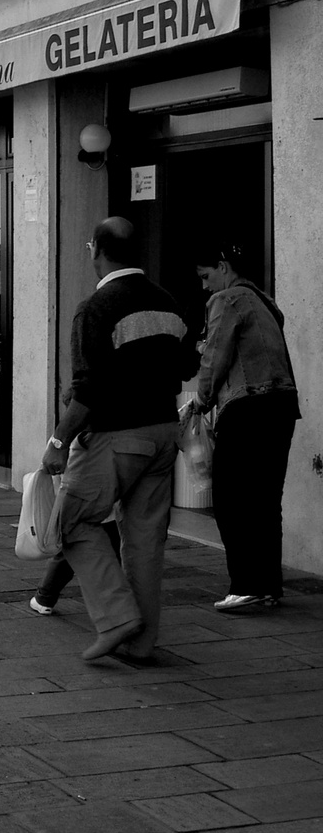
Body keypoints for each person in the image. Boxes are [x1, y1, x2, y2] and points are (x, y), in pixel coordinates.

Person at [40, 217, 197, 663]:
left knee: (72, 523)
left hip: (115, 437)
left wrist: (58, 441)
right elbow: (186, 366)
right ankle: (141, 643)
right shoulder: (167, 302)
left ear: (97, 250)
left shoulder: (97, 307)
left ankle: (115, 618)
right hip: (163, 436)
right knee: (146, 542)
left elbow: (88, 388)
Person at [183, 239, 299, 611]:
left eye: (205, 276)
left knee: (232, 498)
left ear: (222, 266)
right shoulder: (266, 301)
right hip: (281, 405)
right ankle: (267, 586)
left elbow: (215, 355)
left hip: (247, 405)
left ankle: (246, 584)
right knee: (265, 499)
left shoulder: (227, 300)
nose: (204, 286)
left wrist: (199, 400)